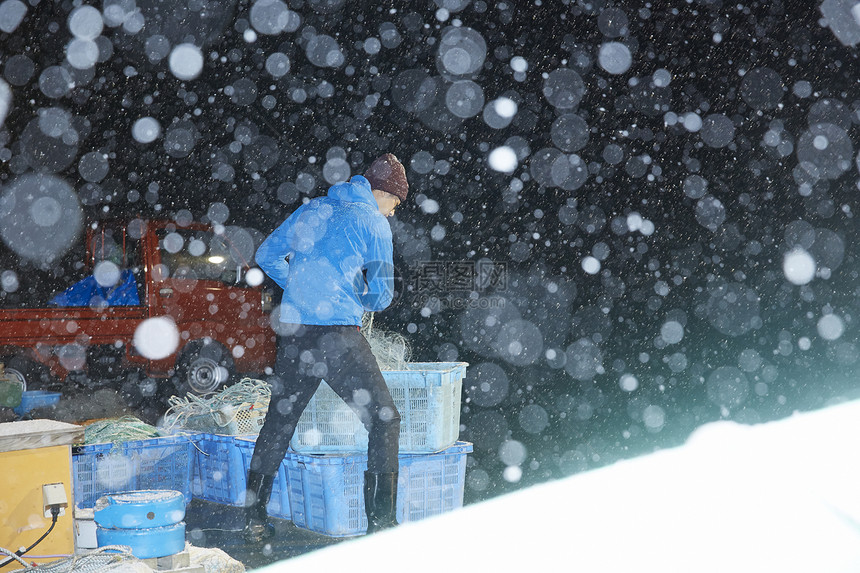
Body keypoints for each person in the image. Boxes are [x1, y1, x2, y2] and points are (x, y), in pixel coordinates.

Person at [244, 153, 408, 542]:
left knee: (280, 423)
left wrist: (301, 285)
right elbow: (382, 296)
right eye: (395, 205)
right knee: (385, 421)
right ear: (383, 194)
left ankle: (252, 518)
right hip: (339, 338)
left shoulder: (313, 209)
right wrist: (358, 294)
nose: (393, 213)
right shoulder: (373, 223)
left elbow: (267, 255)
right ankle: (382, 525)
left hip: (297, 334)